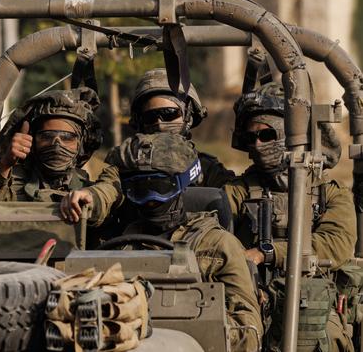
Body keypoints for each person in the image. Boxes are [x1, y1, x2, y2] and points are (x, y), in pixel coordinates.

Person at [61, 133, 263, 351]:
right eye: (140, 190)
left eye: (160, 187)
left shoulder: (219, 245)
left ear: (182, 185)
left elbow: (249, 332)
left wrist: (205, 323)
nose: (150, 200)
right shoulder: (119, 247)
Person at [224, 82, 355, 351]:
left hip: (313, 301)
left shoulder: (329, 194)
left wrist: (267, 253)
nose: (258, 145)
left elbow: (336, 244)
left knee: (322, 335)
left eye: (267, 135)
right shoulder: (238, 190)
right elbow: (213, 234)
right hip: (249, 297)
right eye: (251, 138)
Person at [0, 87, 119, 228]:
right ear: (32, 141)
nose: (56, 145)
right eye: (46, 136)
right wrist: (5, 164)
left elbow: (108, 192)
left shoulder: (88, 190)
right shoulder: (12, 188)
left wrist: (89, 197)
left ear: (80, 144)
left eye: (67, 137)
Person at [129, 68, 234, 187]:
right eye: (149, 117)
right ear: (139, 121)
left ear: (188, 115)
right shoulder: (127, 165)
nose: (159, 123)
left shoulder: (207, 170)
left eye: (169, 113)